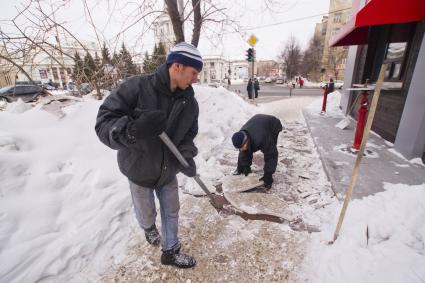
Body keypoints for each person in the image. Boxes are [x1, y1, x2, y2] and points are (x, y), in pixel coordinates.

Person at [95, 42, 203, 269]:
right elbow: (104, 121)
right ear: (177, 67)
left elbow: (188, 135)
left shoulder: (190, 103)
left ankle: (170, 250)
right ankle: (148, 228)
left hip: (168, 171)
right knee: (146, 213)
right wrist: (131, 130)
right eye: (194, 73)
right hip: (139, 169)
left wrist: (186, 155)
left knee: (171, 210)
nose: (196, 79)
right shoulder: (137, 87)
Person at [231, 114, 283, 189]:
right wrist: (244, 167)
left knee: (270, 149)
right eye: (239, 148)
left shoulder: (262, 138)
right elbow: (244, 152)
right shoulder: (241, 135)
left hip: (274, 124)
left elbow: (272, 154)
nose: (241, 149)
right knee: (246, 149)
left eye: (242, 147)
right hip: (257, 122)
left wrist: (268, 175)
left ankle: (270, 171)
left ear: (246, 140)